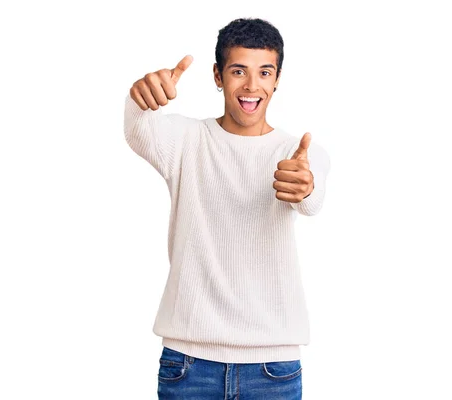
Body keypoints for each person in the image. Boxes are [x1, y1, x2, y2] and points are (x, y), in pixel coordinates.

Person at [123, 17, 331, 399]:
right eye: (239, 71)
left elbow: (311, 198)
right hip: (188, 364)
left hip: (272, 369)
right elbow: (140, 131)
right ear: (218, 76)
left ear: (277, 79)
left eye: (265, 72)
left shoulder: (298, 153)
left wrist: (304, 186)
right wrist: (140, 98)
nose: (252, 86)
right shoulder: (184, 140)